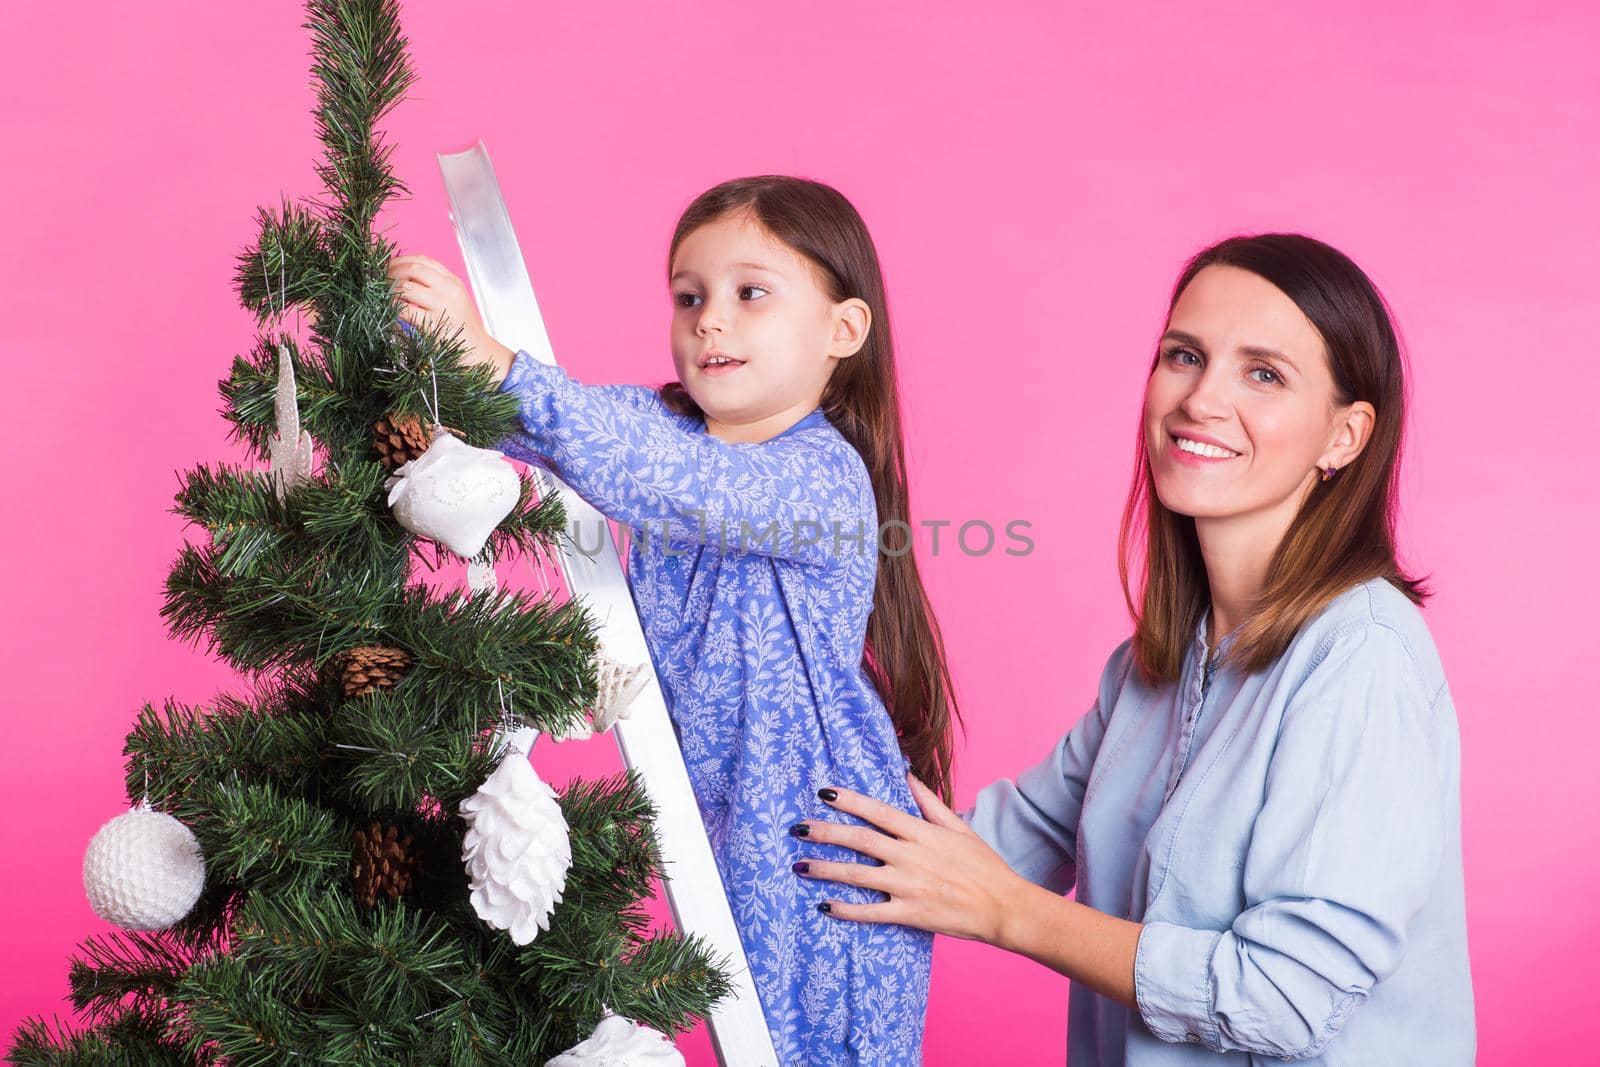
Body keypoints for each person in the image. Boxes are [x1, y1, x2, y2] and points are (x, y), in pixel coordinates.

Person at [795, 234, 1475, 1064]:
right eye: (1184, 355)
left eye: (1264, 373)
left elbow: (1286, 999)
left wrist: (1007, 910)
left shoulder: (1361, 660)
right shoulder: (1152, 667)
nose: (1201, 400)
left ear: (1345, 436)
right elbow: (988, 846)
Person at [386, 176, 959, 1065]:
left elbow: (664, 479)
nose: (710, 320)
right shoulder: (659, 427)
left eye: (749, 293)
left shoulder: (820, 476)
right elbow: (552, 424)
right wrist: (428, 341)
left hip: (818, 840)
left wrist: (499, 362)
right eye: (689, 297)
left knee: (808, 1050)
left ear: (842, 333)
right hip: (722, 813)